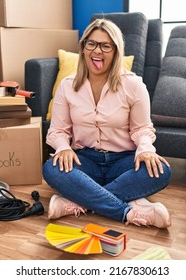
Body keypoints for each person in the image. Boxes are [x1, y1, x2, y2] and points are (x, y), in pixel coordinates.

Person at [43, 18, 172, 228]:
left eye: (105, 45)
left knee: (161, 171)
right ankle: (128, 211)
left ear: (115, 51)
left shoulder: (133, 84)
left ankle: (76, 200)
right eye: (91, 43)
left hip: (124, 161)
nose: (97, 51)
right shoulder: (67, 86)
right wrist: (63, 147)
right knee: (52, 168)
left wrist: (146, 150)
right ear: (83, 47)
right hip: (85, 160)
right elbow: (57, 130)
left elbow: (142, 129)